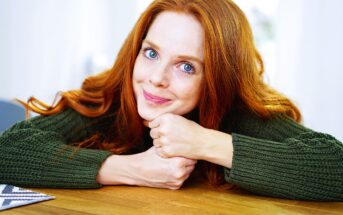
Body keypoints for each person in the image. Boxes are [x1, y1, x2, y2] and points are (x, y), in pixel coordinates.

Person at [1, 0, 342, 201]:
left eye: (186, 66)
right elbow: (9, 151)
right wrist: (132, 170)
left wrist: (206, 142)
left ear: (218, 78)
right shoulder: (114, 100)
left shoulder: (240, 113)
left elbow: (335, 167)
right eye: (151, 53)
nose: (156, 78)